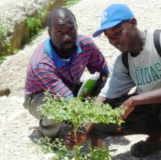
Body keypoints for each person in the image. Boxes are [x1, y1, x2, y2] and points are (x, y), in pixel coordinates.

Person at [67, 4, 161, 160]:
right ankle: (155, 141)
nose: (114, 40)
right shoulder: (124, 61)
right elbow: (104, 97)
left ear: (133, 23)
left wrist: (134, 100)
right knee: (100, 119)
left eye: (117, 32)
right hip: (151, 112)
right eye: (109, 37)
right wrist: (83, 130)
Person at [23, 7, 108, 138]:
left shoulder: (86, 45)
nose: (67, 37)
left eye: (71, 30)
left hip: (70, 88)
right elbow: (66, 97)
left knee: (105, 91)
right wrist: (87, 123)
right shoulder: (41, 63)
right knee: (55, 111)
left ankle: (70, 117)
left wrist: (98, 96)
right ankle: (45, 133)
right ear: (49, 33)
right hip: (39, 96)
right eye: (59, 32)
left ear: (77, 27)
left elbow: (103, 72)